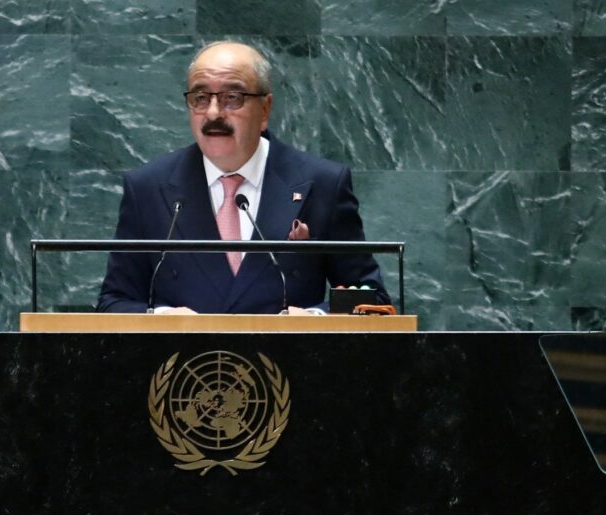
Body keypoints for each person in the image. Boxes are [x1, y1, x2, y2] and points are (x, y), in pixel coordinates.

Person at [96, 41, 388, 315]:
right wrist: (162, 318)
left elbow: (370, 298)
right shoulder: (147, 188)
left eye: (231, 98)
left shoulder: (323, 183)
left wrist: (313, 319)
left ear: (265, 110)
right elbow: (114, 302)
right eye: (200, 98)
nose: (213, 113)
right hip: (185, 366)